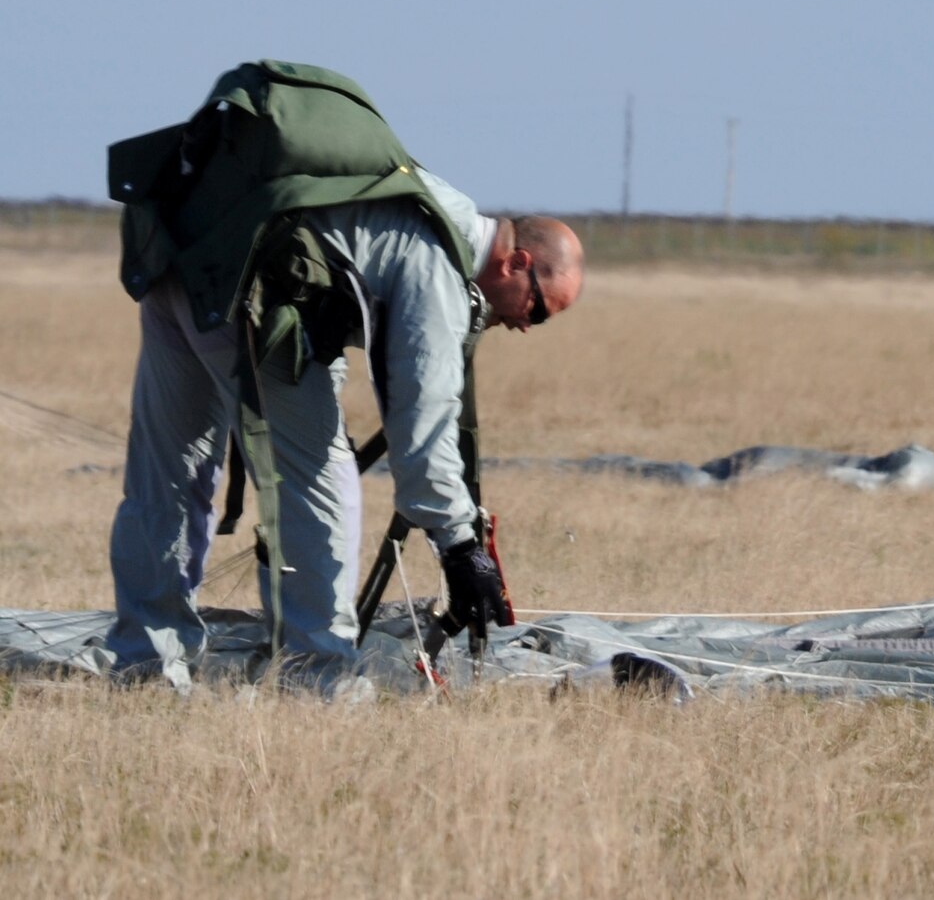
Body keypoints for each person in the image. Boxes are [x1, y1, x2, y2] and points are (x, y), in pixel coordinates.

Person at [104, 62, 582, 689]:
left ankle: (145, 666)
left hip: (178, 263)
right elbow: (422, 422)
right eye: (539, 311)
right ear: (518, 263)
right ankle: (318, 677)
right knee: (319, 482)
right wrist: (462, 547)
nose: (525, 326)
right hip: (243, 296)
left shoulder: (422, 197)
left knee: (170, 475)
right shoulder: (439, 259)